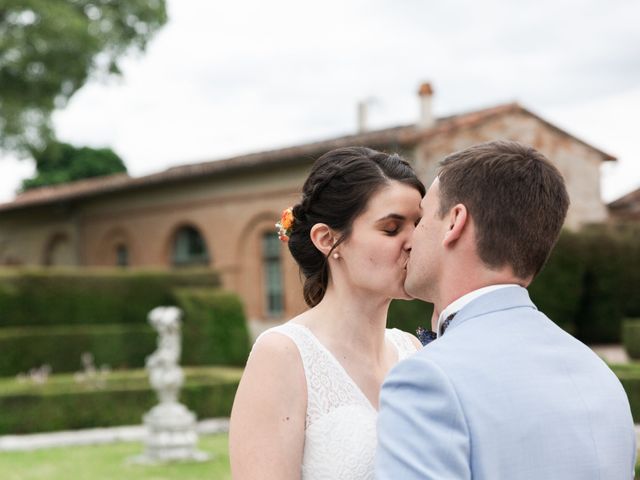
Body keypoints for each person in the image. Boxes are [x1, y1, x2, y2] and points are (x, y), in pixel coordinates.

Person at [375, 140, 637, 479]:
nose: (410, 239)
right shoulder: (599, 374)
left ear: (455, 222)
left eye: (423, 216)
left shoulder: (428, 380)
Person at [229, 146, 426, 479]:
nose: (413, 242)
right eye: (392, 229)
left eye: (419, 226)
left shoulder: (413, 351)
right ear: (327, 239)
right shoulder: (283, 355)